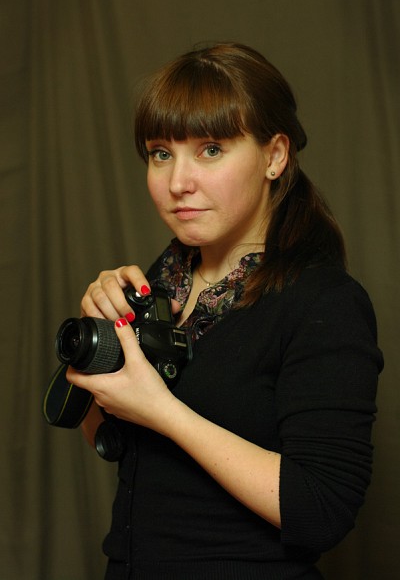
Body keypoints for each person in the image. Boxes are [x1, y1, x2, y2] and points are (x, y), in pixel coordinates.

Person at [67, 42, 383, 579]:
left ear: (274, 156)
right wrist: (96, 348)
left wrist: (164, 412)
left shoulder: (323, 301)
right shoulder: (160, 281)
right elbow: (115, 442)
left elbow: (321, 510)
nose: (177, 182)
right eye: (160, 153)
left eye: (211, 149)